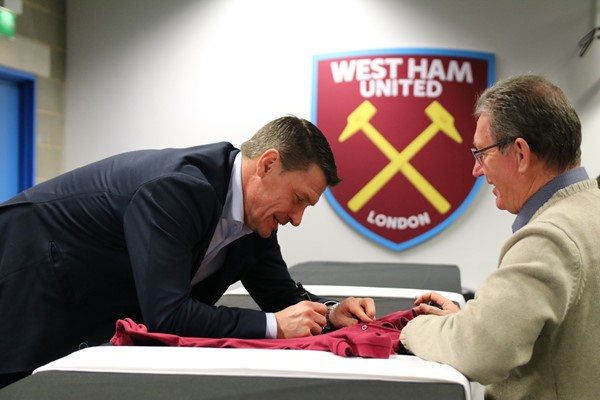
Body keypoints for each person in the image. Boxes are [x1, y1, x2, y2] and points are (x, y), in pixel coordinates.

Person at [0, 116, 376, 387]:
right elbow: (167, 313)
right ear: (267, 164)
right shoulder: (179, 189)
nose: (296, 219)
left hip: (81, 298)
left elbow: (279, 297)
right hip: (28, 274)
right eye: (298, 200)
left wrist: (330, 313)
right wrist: (275, 326)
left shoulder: (255, 219)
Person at [400, 75, 600, 399]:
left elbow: (480, 352)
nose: (477, 170)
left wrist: (412, 330)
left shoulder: (550, 239)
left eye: (482, 153)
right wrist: (474, 321)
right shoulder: (589, 212)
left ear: (520, 153)